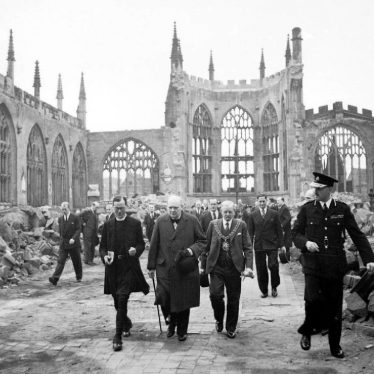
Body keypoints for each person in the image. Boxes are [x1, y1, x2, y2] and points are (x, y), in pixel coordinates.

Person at [292, 172, 374, 359]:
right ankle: (307, 332)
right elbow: (295, 233)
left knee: (334, 305)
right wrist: (305, 243)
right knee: (312, 301)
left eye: (319, 189)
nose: (315, 191)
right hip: (313, 265)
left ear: (329, 190)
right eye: (315, 188)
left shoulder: (342, 209)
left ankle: (335, 345)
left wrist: (369, 259)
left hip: (334, 266)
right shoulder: (307, 209)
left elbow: (357, 235)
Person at [147, 195, 206, 342]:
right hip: (164, 267)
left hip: (184, 267)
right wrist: (151, 266)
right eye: (170, 208)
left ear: (182, 207)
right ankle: (170, 320)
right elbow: (154, 244)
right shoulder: (161, 221)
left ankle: (182, 330)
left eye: (176, 208)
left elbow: (202, 241)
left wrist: (191, 251)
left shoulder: (192, 220)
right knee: (164, 297)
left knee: (183, 299)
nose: (173, 211)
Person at [99, 195, 149, 352]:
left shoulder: (134, 224)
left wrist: (136, 251)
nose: (119, 211)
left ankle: (117, 336)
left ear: (126, 207)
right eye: (116, 208)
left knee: (122, 299)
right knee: (116, 301)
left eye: (121, 208)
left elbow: (141, 244)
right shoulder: (108, 225)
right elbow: (102, 247)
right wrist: (104, 257)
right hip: (113, 268)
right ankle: (126, 323)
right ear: (113, 208)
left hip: (128, 266)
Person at [201, 200, 254, 338]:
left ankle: (231, 327)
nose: (228, 214)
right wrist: (202, 266)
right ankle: (219, 319)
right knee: (215, 295)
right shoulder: (213, 225)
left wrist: (248, 267)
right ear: (221, 212)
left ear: (234, 212)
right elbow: (205, 247)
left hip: (234, 268)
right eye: (225, 212)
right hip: (216, 267)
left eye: (230, 212)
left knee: (233, 299)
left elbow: (248, 247)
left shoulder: (240, 225)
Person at [245, 194, 285, 298]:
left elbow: (279, 231)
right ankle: (264, 290)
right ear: (257, 202)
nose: (262, 203)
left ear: (266, 201)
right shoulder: (253, 215)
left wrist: (281, 245)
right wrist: (248, 246)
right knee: (261, 269)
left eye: (263, 201)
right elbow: (250, 232)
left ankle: (274, 286)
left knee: (273, 266)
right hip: (259, 245)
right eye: (260, 201)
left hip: (272, 244)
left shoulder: (274, 214)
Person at [49, 202, 82, 286]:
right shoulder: (60, 219)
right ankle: (55, 278)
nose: (64, 211)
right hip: (64, 244)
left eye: (65, 209)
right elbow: (61, 232)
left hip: (73, 244)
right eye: (62, 209)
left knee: (76, 261)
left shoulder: (75, 217)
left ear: (69, 209)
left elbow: (78, 229)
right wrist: (60, 241)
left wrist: (73, 238)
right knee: (60, 261)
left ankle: (79, 276)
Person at [277, 197, 292, 262]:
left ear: (282, 201)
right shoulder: (281, 208)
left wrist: (282, 225)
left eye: (278, 201)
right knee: (284, 243)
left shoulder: (285, 208)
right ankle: (285, 259)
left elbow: (288, 218)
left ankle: (287, 258)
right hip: (283, 230)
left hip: (286, 230)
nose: (277, 202)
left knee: (286, 244)